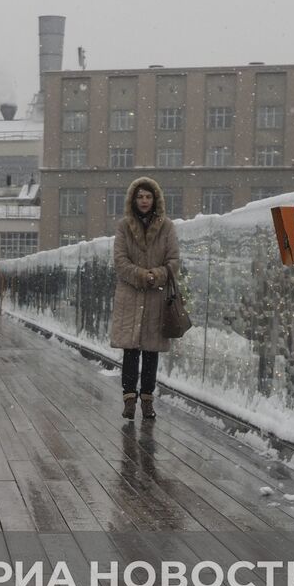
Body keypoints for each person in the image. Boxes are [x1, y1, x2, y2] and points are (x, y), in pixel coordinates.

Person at [109, 176, 181, 420]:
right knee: (130, 351)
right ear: (133, 199)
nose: (144, 201)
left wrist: (157, 275)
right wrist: (141, 275)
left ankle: (148, 401)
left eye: (148, 196)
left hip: (156, 299)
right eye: (140, 196)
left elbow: (173, 261)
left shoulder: (167, 227)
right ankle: (129, 399)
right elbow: (120, 261)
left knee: (151, 352)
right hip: (130, 295)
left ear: (155, 199)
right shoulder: (124, 226)